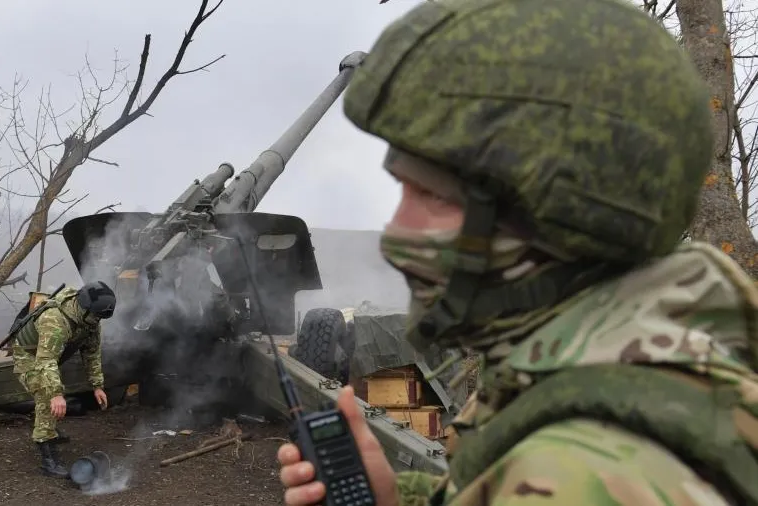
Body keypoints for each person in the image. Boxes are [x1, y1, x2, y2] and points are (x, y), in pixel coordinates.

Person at [277, 0, 758, 504]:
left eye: (434, 195)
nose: (398, 230)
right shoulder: (653, 373)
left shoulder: (577, 478)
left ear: (561, 216)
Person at [11, 281, 116, 478]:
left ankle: (49, 428)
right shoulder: (55, 320)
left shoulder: (90, 321)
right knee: (44, 394)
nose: (97, 321)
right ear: (84, 309)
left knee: (52, 390)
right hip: (29, 357)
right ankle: (47, 456)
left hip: (49, 356)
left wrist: (97, 386)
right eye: (96, 316)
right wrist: (56, 394)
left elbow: (92, 353)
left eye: (100, 318)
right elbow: (45, 360)